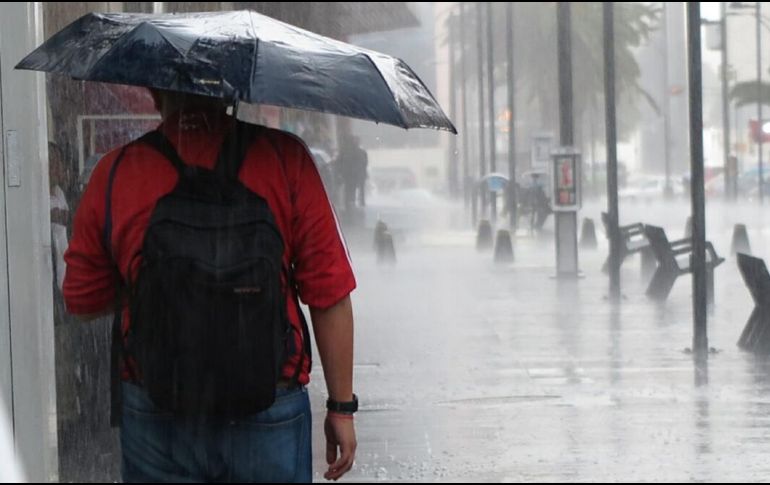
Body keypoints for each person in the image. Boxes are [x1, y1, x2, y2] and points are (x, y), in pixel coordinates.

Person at [63, 89, 358, 483]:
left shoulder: (117, 171)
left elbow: (82, 300)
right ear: (232, 89)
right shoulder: (286, 159)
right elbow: (330, 294)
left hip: (157, 407)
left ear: (153, 92)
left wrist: (149, 288)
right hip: (268, 403)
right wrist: (341, 407)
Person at [337, 134, 368, 212]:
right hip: (351, 174)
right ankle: (352, 202)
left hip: (352, 174)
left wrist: (341, 171)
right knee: (351, 188)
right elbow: (364, 163)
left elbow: (364, 163)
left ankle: (351, 202)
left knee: (351, 188)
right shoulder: (359, 152)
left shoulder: (348, 151)